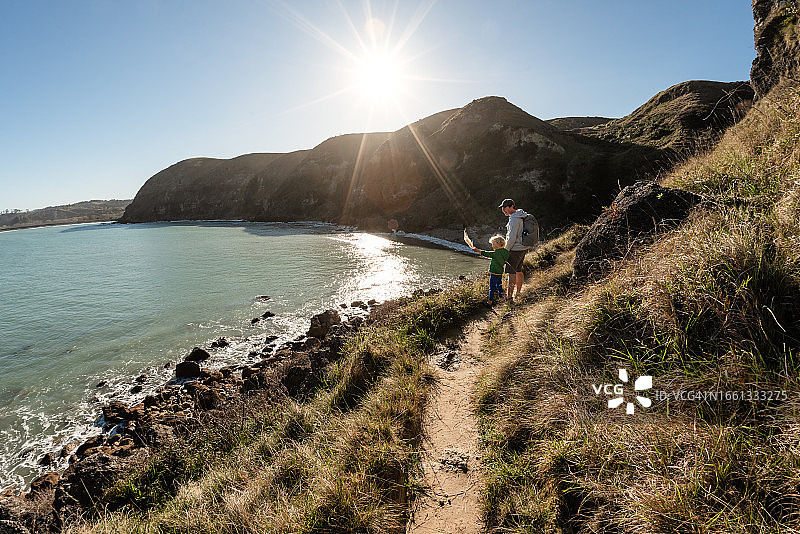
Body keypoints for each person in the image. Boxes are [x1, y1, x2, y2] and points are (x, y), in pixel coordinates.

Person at [499, 198, 533, 303]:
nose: (504, 210)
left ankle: (509, 298)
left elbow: (511, 238)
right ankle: (518, 293)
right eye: (503, 208)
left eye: (505, 208)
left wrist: (505, 250)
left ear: (511, 207)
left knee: (511, 273)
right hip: (522, 248)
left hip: (514, 249)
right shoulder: (521, 216)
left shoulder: (514, 219)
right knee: (518, 271)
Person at [471, 234, 510, 305]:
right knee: (499, 285)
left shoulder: (496, 253)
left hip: (494, 272)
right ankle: (501, 298)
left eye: (493, 244)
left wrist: (477, 250)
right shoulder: (506, 252)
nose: (492, 246)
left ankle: (490, 301)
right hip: (500, 271)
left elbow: (487, 254)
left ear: (497, 244)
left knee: (492, 287)